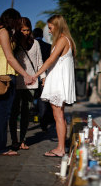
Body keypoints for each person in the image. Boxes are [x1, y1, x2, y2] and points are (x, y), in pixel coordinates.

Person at [0, 8, 33, 156]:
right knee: (3, 114)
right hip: (6, 76)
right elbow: (9, 57)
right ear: (12, 19)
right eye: (17, 21)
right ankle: (0, 148)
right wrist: (25, 74)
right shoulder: (4, 32)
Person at [32, 15, 76, 157]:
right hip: (57, 81)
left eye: (50, 28)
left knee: (58, 116)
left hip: (58, 83)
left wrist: (36, 74)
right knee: (59, 116)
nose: (49, 31)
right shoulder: (66, 40)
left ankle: (61, 149)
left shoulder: (63, 40)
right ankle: (61, 147)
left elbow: (51, 60)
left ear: (57, 26)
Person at [9, 17, 46, 151]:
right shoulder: (14, 44)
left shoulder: (35, 43)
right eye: (23, 30)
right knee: (14, 112)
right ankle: (14, 140)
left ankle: (23, 140)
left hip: (31, 83)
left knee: (26, 113)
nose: (25, 32)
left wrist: (43, 77)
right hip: (16, 82)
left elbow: (39, 62)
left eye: (27, 30)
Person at [32, 27, 54, 131]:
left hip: (31, 77)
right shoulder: (48, 46)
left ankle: (32, 118)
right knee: (44, 100)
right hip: (45, 77)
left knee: (31, 99)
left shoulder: (30, 46)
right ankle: (44, 122)